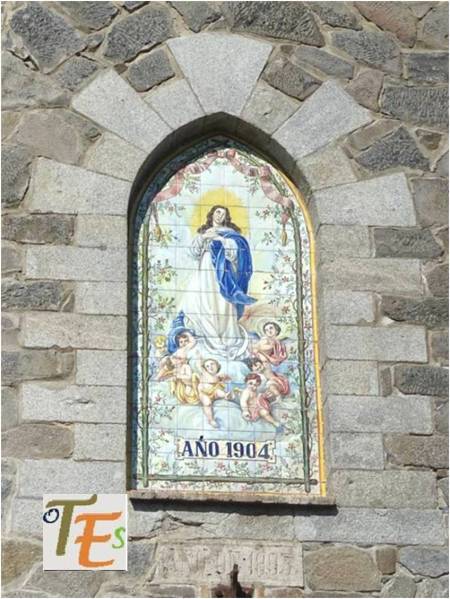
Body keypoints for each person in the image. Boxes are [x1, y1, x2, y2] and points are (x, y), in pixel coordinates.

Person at [178, 205, 256, 360]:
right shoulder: (204, 232)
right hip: (205, 272)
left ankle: (227, 339)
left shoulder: (231, 234)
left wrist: (221, 240)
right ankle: (209, 338)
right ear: (212, 213)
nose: (220, 215)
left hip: (223, 274)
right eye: (218, 212)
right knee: (205, 303)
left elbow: (237, 253)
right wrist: (204, 237)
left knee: (223, 304)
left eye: (224, 213)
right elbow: (193, 252)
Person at [198, 358, 232, 427]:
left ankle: (226, 396)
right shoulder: (205, 374)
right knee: (207, 403)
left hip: (214, 391)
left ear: (217, 365)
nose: (210, 367)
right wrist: (199, 358)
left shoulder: (218, 376)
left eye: (212, 364)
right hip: (204, 393)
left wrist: (225, 378)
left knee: (219, 392)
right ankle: (211, 420)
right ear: (205, 369)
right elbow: (199, 365)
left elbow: (228, 379)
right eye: (207, 366)